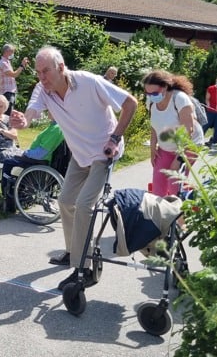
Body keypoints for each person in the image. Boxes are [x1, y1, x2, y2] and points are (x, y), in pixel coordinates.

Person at [10, 46, 137, 288]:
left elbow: (130, 103)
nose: (41, 77)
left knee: (83, 206)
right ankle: (73, 251)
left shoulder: (89, 82)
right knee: (65, 201)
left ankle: (83, 269)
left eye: (45, 71)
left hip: (103, 153)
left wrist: (115, 137)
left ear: (61, 67)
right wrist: (22, 121)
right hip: (80, 155)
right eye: (38, 72)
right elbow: (30, 114)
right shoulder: (43, 89)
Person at [143, 71, 204, 197]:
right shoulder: (151, 101)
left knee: (174, 184)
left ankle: (180, 213)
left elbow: (188, 131)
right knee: (158, 185)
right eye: (147, 93)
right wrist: (153, 148)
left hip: (188, 146)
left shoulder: (179, 98)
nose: (151, 96)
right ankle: (160, 214)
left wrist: (179, 159)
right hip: (166, 147)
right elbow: (154, 126)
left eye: (154, 93)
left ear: (165, 87)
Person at [0, 119, 65, 212]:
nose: (48, 110)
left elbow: (41, 153)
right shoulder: (57, 126)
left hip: (37, 160)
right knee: (12, 161)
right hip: (39, 159)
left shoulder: (56, 128)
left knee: (8, 163)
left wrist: (25, 153)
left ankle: (8, 199)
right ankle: (16, 195)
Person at [0, 43, 30, 116]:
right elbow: (14, 74)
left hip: (10, 91)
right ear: (6, 52)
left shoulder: (7, 62)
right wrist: (22, 65)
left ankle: (7, 126)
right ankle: (6, 127)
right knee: (7, 113)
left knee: (9, 111)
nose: (13, 54)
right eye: (12, 52)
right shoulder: (3, 63)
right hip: (7, 91)